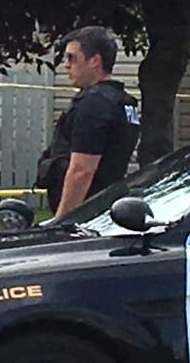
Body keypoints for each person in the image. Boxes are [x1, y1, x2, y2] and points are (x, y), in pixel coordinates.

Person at [37, 26, 140, 219]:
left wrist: (62, 221)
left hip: (86, 215)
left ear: (95, 61)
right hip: (106, 208)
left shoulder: (95, 103)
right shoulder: (122, 102)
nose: (66, 65)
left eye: (72, 58)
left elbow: (81, 171)